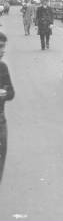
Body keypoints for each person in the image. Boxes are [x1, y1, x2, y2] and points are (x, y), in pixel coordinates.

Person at [0, 32, 14, 183]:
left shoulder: (2, 68)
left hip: (0, 120)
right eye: (0, 47)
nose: (3, 50)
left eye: (4, 47)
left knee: (1, 155)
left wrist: (4, 94)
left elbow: (11, 93)